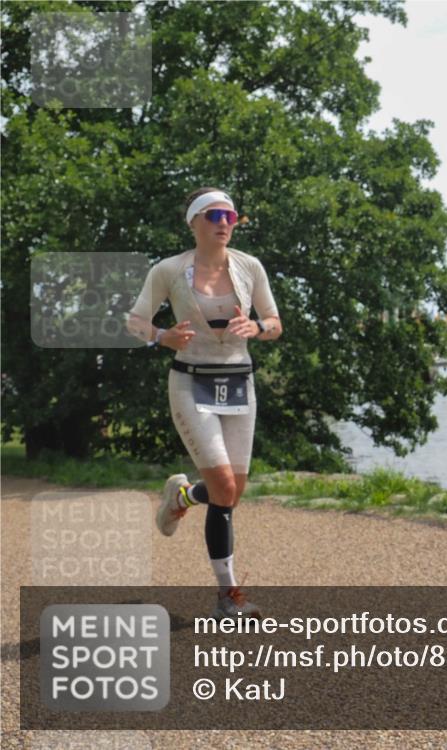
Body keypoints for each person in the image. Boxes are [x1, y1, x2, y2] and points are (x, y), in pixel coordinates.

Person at [128, 188, 282, 620]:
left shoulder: (250, 267)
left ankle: (181, 496)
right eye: (214, 214)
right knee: (225, 490)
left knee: (230, 493)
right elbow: (134, 320)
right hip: (190, 384)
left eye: (230, 215)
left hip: (239, 384)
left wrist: (257, 326)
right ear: (194, 221)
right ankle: (228, 598)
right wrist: (162, 336)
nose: (224, 222)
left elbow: (275, 322)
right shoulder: (169, 270)